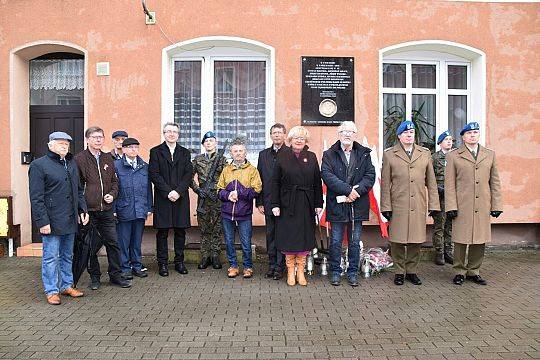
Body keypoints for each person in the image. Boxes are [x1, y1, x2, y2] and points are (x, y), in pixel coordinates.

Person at [29, 131, 89, 305]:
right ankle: (51, 290)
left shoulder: (71, 163)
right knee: (50, 257)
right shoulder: (38, 165)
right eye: (60, 143)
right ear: (50, 145)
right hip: (51, 221)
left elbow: (78, 190)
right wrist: (42, 222)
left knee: (67, 255)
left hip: (70, 219)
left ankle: (66, 285)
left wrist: (82, 210)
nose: (65, 146)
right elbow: (36, 197)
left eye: (67, 143)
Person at [380, 121, 440, 286]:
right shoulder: (390, 154)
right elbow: (385, 183)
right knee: (398, 240)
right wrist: (385, 207)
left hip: (418, 204)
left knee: (416, 239)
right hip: (398, 204)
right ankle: (399, 271)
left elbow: (432, 182)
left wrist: (434, 205)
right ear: (399, 136)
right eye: (406, 133)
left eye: (412, 133)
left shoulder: (425, 154)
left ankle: (412, 270)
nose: (409, 135)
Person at [445, 122, 502, 286]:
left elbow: (495, 182)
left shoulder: (489, 155)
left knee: (479, 240)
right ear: (463, 136)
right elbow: (450, 184)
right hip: (462, 204)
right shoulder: (454, 156)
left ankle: (474, 271)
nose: (472, 135)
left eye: (475, 132)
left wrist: (496, 205)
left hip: (482, 204)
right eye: (469, 133)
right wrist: (451, 206)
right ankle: (459, 271)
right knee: (461, 240)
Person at [75, 126, 131, 290]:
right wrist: (82, 209)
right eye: (94, 137)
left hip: (106, 210)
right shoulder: (80, 159)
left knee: (113, 243)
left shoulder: (108, 158)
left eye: (101, 137)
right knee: (91, 246)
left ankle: (116, 275)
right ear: (87, 139)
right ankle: (95, 277)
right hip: (89, 212)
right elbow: (77, 188)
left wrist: (112, 195)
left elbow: (115, 182)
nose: (98, 140)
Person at [321, 121, 375, 287]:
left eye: (350, 131)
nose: (347, 134)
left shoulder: (364, 153)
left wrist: (356, 192)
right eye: (344, 131)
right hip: (337, 205)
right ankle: (335, 272)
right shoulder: (329, 154)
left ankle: (352, 272)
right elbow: (327, 175)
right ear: (339, 134)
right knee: (336, 241)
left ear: (355, 134)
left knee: (354, 241)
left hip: (357, 205)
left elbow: (370, 176)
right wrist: (347, 190)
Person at [271, 126, 323, 286]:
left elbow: (316, 182)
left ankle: (301, 271)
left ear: (306, 141)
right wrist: (275, 204)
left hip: (306, 203)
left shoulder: (312, 156)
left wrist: (318, 203)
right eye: (296, 138)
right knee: (289, 238)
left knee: (303, 238)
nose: (299, 140)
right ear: (290, 140)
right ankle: (290, 272)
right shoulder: (282, 156)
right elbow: (275, 182)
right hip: (287, 203)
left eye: (302, 138)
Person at [149, 122, 193, 277]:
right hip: (163, 197)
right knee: (162, 232)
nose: (171, 134)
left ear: (178, 134)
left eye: (174, 131)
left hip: (180, 197)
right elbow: (154, 174)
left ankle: (179, 262)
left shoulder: (185, 152)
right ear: (164, 133)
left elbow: (188, 174)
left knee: (180, 231)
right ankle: (162, 263)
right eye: (168, 131)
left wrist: (178, 191)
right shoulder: (155, 152)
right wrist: (168, 192)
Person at [217, 138, 262, 279]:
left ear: (245, 152)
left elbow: (257, 189)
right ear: (231, 153)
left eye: (240, 151)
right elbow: (219, 190)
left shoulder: (252, 170)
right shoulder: (226, 170)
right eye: (235, 151)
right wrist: (228, 195)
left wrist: (240, 193)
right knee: (229, 241)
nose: (238, 153)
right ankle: (233, 266)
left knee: (245, 242)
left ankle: (248, 267)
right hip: (227, 213)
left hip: (244, 213)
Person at [114, 138, 153, 279]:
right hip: (123, 208)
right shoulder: (116, 166)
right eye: (130, 147)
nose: (133, 150)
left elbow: (148, 188)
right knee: (123, 242)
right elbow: (113, 189)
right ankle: (125, 267)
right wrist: (113, 209)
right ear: (123, 149)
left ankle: (137, 265)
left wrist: (149, 206)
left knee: (136, 241)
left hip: (140, 209)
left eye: (136, 147)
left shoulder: (144, 166)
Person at [256, 123, 288, 280]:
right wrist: (259, 201)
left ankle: (281, 267)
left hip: (286, 203)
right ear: (270, 135)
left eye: (279, 132)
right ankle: (272, 264)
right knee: (270, 234)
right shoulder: (263, 155)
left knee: (283, 234)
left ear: (284, 135)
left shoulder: (290, 153)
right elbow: (259, 179)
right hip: (268, 201)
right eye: (274, 133)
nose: (277, 135)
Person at [191, 131, 227, 270]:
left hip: (217, 198)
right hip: (203, 199)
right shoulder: (198, 159)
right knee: (205, 229)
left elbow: (227, 178)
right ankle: (205, 256)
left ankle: (215, 257)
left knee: (217, 228)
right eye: (206, 141)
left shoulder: (222, 159)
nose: (209, 143)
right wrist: (197, 190)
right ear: (203, 144)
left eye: (211, 140)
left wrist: (218, 189)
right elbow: (188, 176)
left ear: (215, 143)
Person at [432, 131, 455, 265]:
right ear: (440, 142)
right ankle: (439, 252)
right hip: (440, 196)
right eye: (446, 139)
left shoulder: (456, 157)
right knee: (439, 225)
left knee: (449, 225)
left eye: (451, 140)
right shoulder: (434, 158)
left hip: (452, 197)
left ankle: (448, 252)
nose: (449, 142)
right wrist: (437, 189)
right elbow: (428, 177)